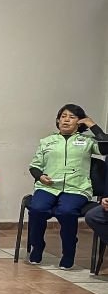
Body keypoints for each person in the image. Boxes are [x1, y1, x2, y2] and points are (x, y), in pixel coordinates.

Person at [27, 104, 108, 269]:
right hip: (48, 186)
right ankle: (37, 246)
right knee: (37, 208)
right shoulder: (47, 141)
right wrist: (40, 176)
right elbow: (34, 165)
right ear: (58, 120)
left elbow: (106, 148)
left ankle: (69, 252)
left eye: (71, 117)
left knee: (66, 211)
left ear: (79, 122)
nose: (66, 120)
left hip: (76, 188)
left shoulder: (87, 142)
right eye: (63, 116)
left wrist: (93, 125)